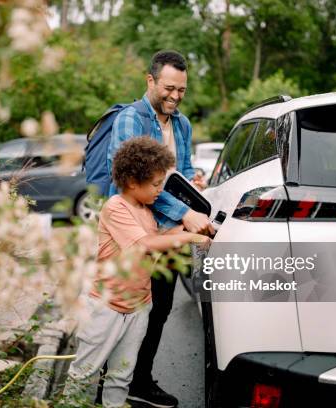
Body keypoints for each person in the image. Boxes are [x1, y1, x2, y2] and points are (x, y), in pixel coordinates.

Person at [63, 138, 211, 408]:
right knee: (86, 372)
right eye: (156, 184)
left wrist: (202, 230)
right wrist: (190, 238)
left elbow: (161, 235)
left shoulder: (145, 209)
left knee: (122, 374)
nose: (160, 191)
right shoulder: (116, 207)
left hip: (139, 306)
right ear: (132, 181)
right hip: (106, 307)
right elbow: (145, 244)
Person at [107, 50, 214, 408]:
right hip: (137, 233)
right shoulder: (129, 120)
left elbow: (175, 177)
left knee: (160, 309)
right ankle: (105, 386)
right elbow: (134, 183)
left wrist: (192, 188)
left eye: (182, 90)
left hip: (169, 236)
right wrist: (185, 213)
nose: (175, 96)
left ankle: (139, 381)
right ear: (150, 81)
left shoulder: (182, 125)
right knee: (127, 311)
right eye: (169, 88)